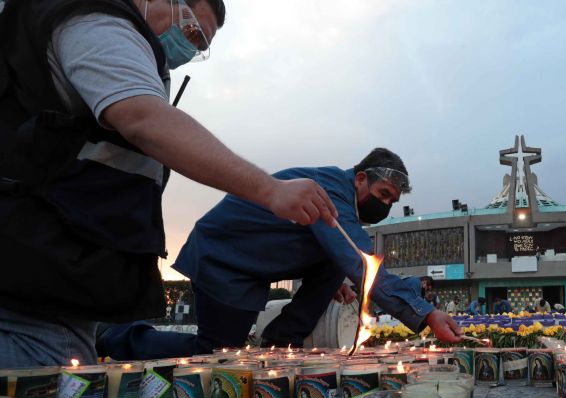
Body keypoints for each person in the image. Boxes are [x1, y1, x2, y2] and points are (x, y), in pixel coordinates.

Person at [0, 0, 340, 368]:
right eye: (192, 31)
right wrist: (271, 190)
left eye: (199, 46)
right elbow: (144, 118)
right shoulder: (98, 20)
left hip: (56, 278)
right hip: (32, 285)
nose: (189, 46)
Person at [99, 149, 462, 358]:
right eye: (382, 194)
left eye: (391, 202)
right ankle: (110, 338)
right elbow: (360, 261)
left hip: (249, 264)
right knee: (216, 350)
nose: (384, 206)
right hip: (223, 257)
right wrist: (426, 313)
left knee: (337, 263)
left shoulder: (343, 201)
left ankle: (280, 345)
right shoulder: (331, 193)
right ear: (360, 178)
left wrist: (329, 279)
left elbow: (326, 250)